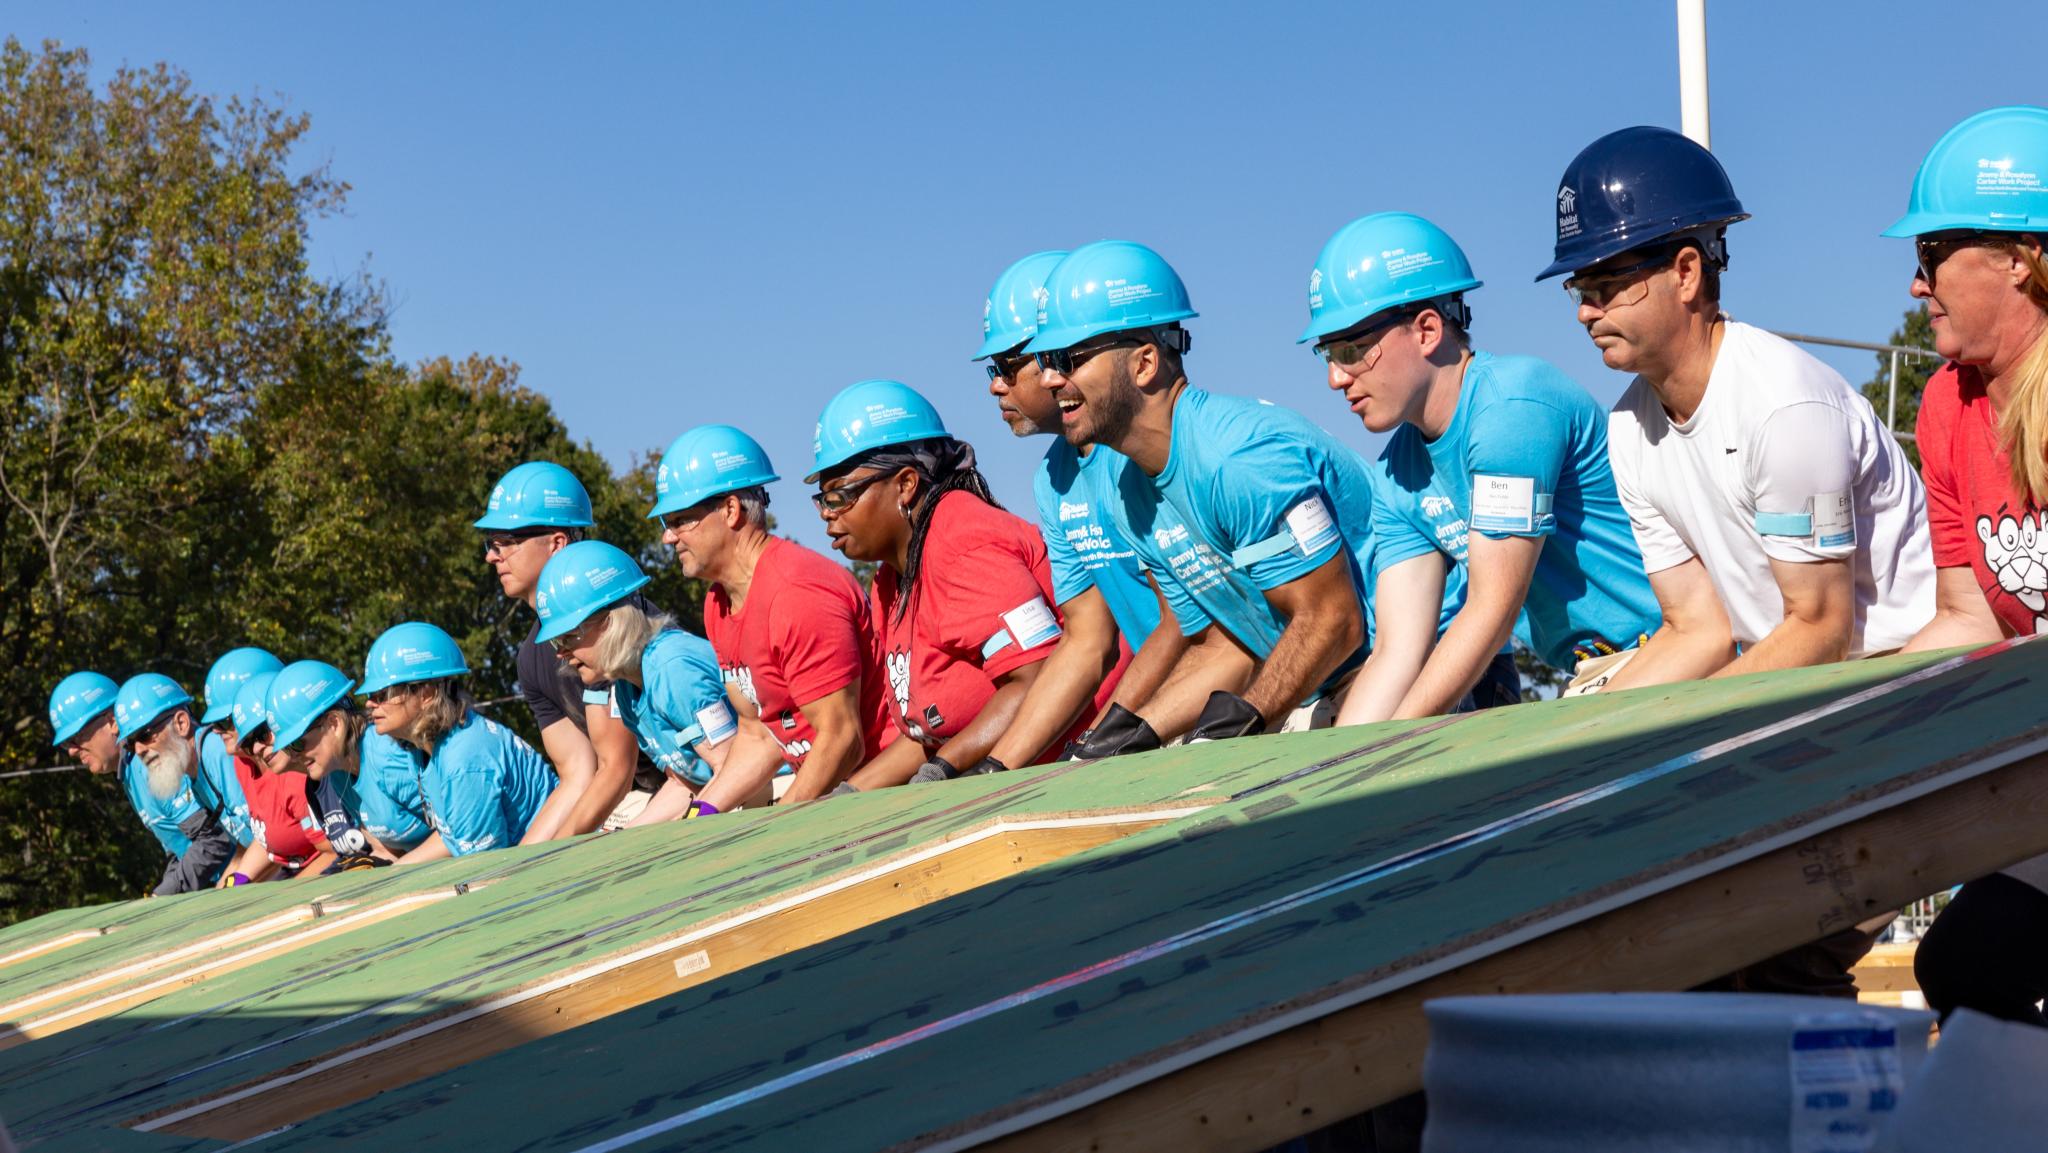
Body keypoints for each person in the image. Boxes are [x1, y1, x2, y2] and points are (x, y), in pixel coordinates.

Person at [1538, 126, 1936, 695]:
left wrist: (1686, 724)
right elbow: (1697, 628)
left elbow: (1821, 630)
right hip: (1798, 684)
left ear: (1685, 273)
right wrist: (1582, 727)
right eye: (1581, 291)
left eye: (1606, 286)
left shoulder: (1783, 408)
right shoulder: (1627, 429)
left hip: (1902, 678)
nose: (1586, 314)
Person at [1300, 212, 1659, 721]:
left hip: (1675, 654)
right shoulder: (1396, 477)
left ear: (1426, 329)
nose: (1337, 377)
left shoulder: (1512, 407)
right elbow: (1397, 652)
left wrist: (1388, 744)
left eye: (1352, 350)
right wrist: (1337, 766)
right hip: (1598, 677)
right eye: (1326, 354)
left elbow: (1492, 609)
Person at [1023, 241, 1377, 748]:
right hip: (1316, 690)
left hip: (1396, 670)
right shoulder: (1127, 492)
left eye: (1069, 358)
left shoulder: (1238, 458)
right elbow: (1227, 648)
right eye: (1045, 360)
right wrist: (1133, 733)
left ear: (1145, 363)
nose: (1051, 379)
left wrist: (1248, 716)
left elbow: (1334, 620)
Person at [1880, 106, 2048, 1026]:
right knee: (1965, 970)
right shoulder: (1948, 403)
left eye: (1935, 249)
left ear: (2018, 257)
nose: (1915, 282)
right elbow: (1971, 617)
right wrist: (1832, 710)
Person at [806, 379, 1119, 786]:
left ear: (905, 484)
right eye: (822, 500)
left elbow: (1036, 675)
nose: (826, 514)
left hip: (1087, 771)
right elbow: (933, 732)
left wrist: (942, 770)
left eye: (839, 495)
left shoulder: (963, 541)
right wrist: (850, 795)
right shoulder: (889, 580)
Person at [971, 251, 1165, 771]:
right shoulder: (1053, 478)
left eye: (1009, 366)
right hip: (1174, 706)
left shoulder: (1138, 451)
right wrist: (1000, 765)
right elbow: (1087, 640)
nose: (996, 385)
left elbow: (1198, 622)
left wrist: (1107, 733)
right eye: (993, 370)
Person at [648, 424, 894, 800]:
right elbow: (758, 733)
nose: (668, 536)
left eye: (681, 520)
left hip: (887, 792)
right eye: (668, 523)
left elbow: (843, 738)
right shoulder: (718, 602)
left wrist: (783, 825)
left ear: (730, 510)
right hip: (827, 794)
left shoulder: (797, 592)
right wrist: (705, 815)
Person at [535, 540, 787, 819]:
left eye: (569, 637)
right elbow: (685, 782)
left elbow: (733, 768)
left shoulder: (673, 668)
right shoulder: (626, 690)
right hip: (727, 791)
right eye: (556, 642)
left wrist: (689, 828)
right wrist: (630, 842)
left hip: (776, 784)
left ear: (612, 622)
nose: (561, 653)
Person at [477, 461, 652, 837]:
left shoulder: (606, 624)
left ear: (556, 543)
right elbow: (576, 774)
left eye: (504, 542)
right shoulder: (529, 658)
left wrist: (555, 859)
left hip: (677, 793)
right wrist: (523, 868)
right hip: (626, 802)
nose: (491, 556)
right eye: (489, 544)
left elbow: (617, 769)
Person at [341, 624, 551, 860]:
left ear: (426, 694)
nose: (370, 704)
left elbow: (486, 868)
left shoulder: (463, 759)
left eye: (382, 695)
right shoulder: (427, 749)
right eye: (370, 696)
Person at [259, 657, 432, 867]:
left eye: (297, 743)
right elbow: (386, 849)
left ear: (334, 724)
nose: (294, 755)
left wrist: (396, 869)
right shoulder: (338, 776)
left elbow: (452, 833)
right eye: (287, 748)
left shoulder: (387, 757)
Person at [111, 674, 237, 894]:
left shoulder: (216, 753)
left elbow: (265, 841)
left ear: (181, 723)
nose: (139, 750)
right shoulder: (188, 771)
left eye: (146, 735)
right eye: (131, 744)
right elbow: (250, 845)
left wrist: (166, 894)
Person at [223, 672, 326, 882]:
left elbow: (332, 853)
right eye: (249, 741)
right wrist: (240, 878)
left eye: (225, 721)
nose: (257, 747)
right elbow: (269, 837)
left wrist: (287, 896)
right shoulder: (243, 764)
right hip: (290, 872)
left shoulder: (295, 775)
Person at [198, 647, 281, 887]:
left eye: (224, 721)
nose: (215, 730)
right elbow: (262, 841)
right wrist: (227, 890)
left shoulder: (298, 768)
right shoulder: (243, 764)